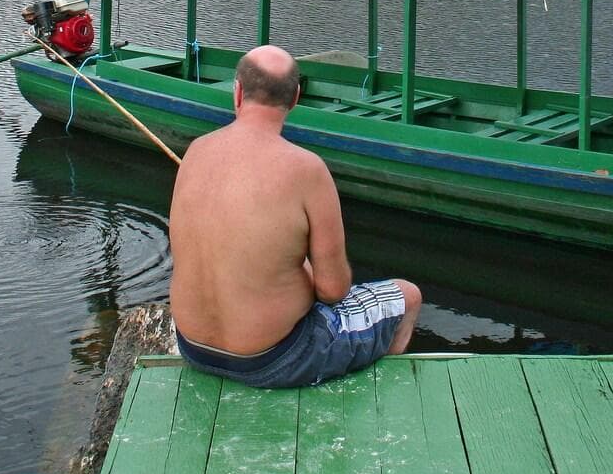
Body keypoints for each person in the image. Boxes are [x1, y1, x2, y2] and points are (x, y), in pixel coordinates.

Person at [167, 44, 422, 388]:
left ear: (238, 92)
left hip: (194, 349)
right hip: (275, 359)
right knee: (408, 297)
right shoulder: (307, 169)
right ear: (296, 98)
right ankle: (376, 398)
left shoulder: (196, 150)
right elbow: (332, 290)